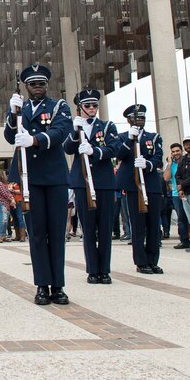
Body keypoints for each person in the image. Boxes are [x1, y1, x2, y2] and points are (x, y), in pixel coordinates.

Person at [4, 63, 72, 305]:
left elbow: (61, 131)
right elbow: (10, 136)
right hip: (29, 178)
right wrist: (13, 114)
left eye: (41, 83)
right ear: (26, 87)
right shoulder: (19, 108)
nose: (37, 88)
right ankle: (42, 285)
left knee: (55, 233)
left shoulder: (58, 107)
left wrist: (34, 139)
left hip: (53, 177)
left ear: (47, 85)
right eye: (33, 84)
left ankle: (58, 286)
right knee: (36, 233)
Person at [63, 89, 121, 284]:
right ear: (80, 108)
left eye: (94, 105)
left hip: (103, 182)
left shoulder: (107, 126)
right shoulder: (76, 126)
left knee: (105, 227)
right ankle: (92, 270)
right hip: (82, 182)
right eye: (87, 106)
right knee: (87, 227)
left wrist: (95, 151)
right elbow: (67, 148)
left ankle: (104, 270)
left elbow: (114, 148)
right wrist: (74, 132)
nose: (92, 109)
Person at [116, 104, 164, 274]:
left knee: (153, 224)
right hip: (133, 185)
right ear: (129, 120)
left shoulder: (154, 137)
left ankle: (152, 260)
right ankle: (141, 261)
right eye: (136, 118)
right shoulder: (122, 137)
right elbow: (119, 155)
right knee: (138, 225)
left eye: (142, 117)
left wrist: (148, 164)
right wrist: (130, 140)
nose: (140, 121)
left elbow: (159, 158)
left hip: (151, 184)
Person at [163, 143, 190, 250]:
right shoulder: (171, 164)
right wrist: (169, 164)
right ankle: (184, 240)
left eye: (177, 151)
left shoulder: (187, 161)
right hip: (176, 194)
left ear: (182, 151)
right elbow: (166, 178)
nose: (176, 153)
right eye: (173, 152)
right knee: (181, 218)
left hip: (188, 192)